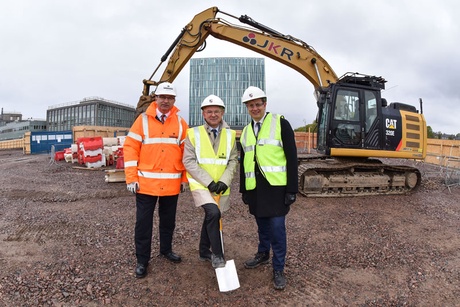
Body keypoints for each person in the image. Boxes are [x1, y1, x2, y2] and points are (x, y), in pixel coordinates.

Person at [123, 82, 189, 278]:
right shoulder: (142, 121)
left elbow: (187, 153)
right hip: (146, 185)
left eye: (169, 98)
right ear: (156, 98)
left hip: (171, 184)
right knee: (143, 223)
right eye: (162, 97)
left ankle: (166, 250)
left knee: (168, 222)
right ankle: (142, 260)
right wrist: (131, 178)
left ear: (174, 100)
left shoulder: (180, 123)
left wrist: (185, 178)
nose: (166, 101)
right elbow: (130, 149)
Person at [239, 86, 298, 290]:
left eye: (258, 104)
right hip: (256, 188)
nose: (254, 108)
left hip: (276, 188)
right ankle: (263, 253)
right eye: (251, 105)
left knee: (277, 229)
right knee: (262, 226)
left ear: (265, 104)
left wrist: (292, 189)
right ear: (247, 108)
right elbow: (243, 161)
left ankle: (278, 268)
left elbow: (292, 158)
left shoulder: (281, 123)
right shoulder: (246, 131)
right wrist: (244, 190)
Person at [183, 95, 238, 269]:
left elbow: (233, 160)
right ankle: (217, 254)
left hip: (221, 186)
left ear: (222, 113)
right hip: (201, 185)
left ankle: (203, 251)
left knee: (211, 216)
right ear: (203, 114)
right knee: (214, 213)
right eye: (209, 111)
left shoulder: (230, 135)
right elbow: (188, 161)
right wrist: (208, 182)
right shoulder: (193, 133)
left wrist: (224, 181)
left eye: (216, 111)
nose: (213, 114)